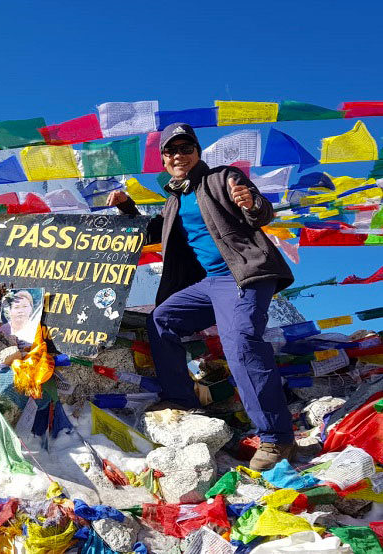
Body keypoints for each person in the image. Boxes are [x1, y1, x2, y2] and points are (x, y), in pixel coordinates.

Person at [106, 122, 296, 471]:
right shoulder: (175, 199)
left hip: (243, 274)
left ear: (197, 152)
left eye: (186, 148)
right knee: (161, 319)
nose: (179, 155)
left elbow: (260, 211)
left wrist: (252, 203)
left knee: (240, 345)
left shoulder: (223, 178)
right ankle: (179, 398)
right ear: (163, 159)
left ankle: (276, 437)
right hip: (210, 284)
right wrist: (127, 207)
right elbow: (153, 232)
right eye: (171, 151)